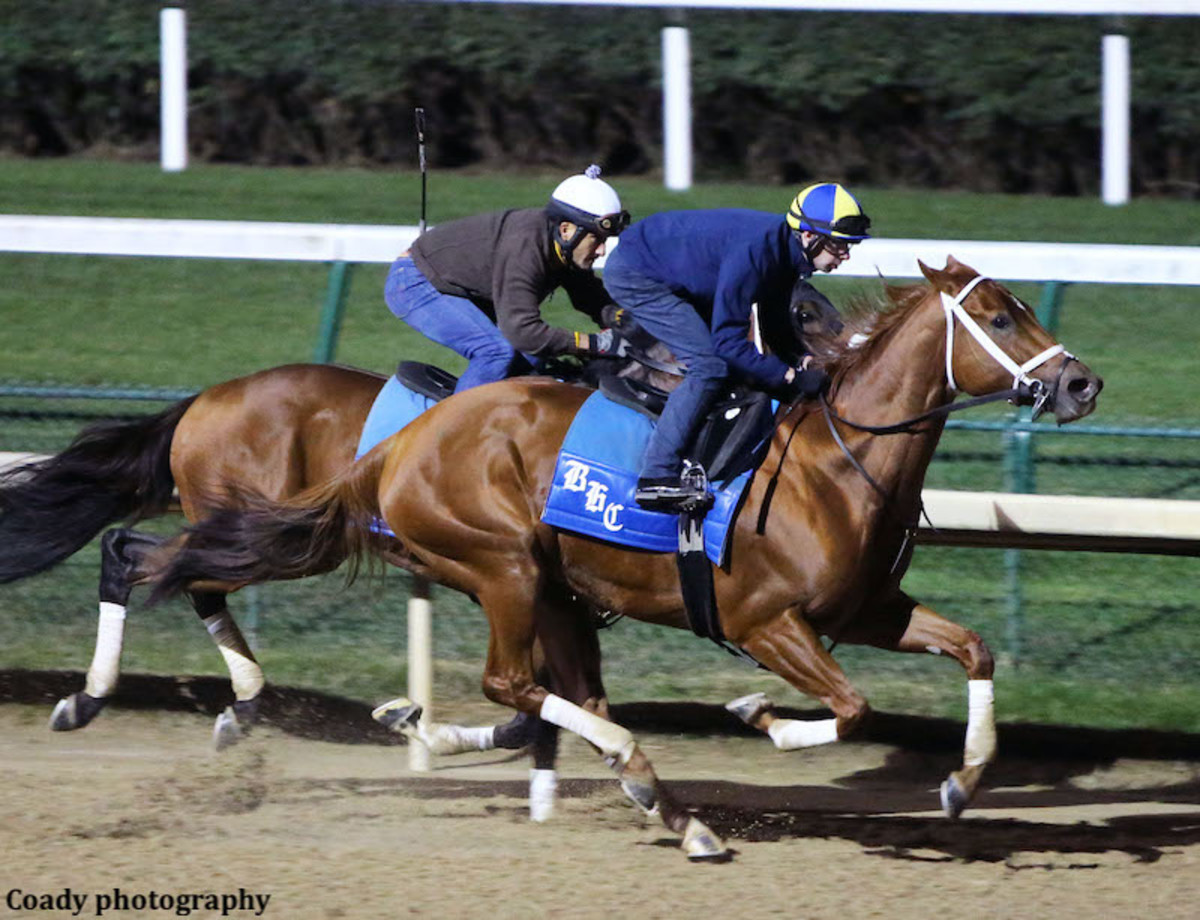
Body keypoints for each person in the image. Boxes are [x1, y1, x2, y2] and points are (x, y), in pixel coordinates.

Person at [601, 182, 871, 511]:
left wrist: (802, 361)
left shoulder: (785, 252)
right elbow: (727, 343)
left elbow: (774, 322)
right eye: (838, 245)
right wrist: (788, 377)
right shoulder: (756, 252)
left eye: (849, 246)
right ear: (809, 236)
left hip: (674, 267)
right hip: (636, 273)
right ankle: (656, 477)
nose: (845, 255)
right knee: (709, 365)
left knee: (737, 369)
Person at [384, 165, 630, 392]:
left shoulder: (563, 246)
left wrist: (628, 321)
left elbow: (590, 297)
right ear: (567, 230)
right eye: (596, 240)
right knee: (496, 353)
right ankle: (454, 434)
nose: (601, 251)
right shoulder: (525, 247)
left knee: (535, 361)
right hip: (415, 282)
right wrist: (592, 343)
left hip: (460, 287)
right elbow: (523, 331)